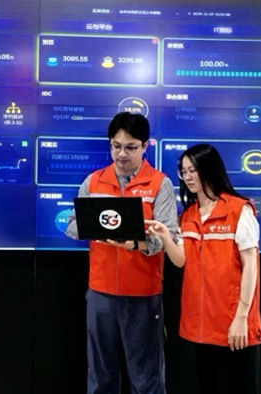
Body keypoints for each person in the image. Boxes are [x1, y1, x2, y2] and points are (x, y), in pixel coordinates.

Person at [66, 112, 177, 394]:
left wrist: (137, 244)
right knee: (101, 376)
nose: (122, 154)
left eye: (130, 147)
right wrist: (94, 227)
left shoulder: (159, 184)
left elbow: (170, 237)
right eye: (116, 146)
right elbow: (72, 225)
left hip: (143, 294)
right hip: (101, 292)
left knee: (146, 377)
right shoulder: (94, 181)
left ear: (145, 146)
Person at [147, 143, 261, 394]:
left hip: (233, 324)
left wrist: (241, 318)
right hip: (202, 326)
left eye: (193, 170)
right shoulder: (189, 216)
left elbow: (251, 267)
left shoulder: (238, 210)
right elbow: (181, 261)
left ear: (209, 169)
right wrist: (165, 236)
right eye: (184, 172)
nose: (188, 177)